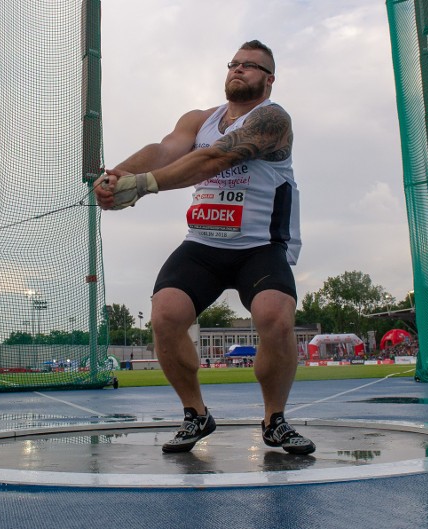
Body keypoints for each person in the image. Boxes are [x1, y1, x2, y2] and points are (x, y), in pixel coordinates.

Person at [94, 40, 315, 455]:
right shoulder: (199, 119)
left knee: (275, 317)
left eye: (251, 66)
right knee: (165, 315)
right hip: (204, 244)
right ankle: (195, 413)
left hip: (261, 246)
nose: (239, 69)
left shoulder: (272, 119)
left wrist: (142, 186)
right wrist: (119, 175)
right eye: (234, 63)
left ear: (269, 79)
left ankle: (275, 420)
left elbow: (215, 158)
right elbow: (163, 151)